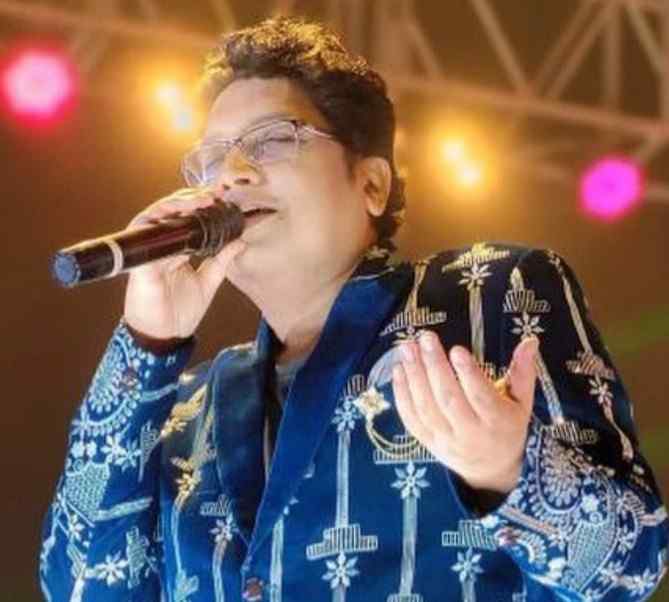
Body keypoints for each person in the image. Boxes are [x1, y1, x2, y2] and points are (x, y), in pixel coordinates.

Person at [39, 16, 668, 602]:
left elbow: (634, 565)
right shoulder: (184, 408)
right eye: (211, 159)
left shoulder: (492, 295)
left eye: (270, 140)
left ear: (371, 184)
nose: (230, 175)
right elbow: (78, 585)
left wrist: (510, 470)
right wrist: (145, 344)